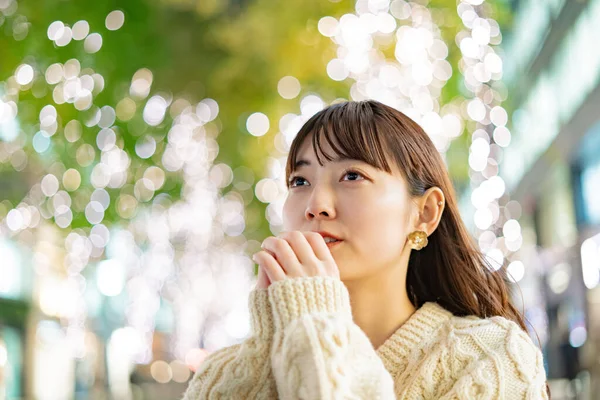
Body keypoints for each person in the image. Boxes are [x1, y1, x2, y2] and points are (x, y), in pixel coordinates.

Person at [182, 100, 550, 399]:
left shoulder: (490, 357)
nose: (315, 204)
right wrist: (269, 345)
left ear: (424, 213)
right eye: (300, 180)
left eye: (352, 176)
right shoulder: (222, 377)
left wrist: (316, 323)